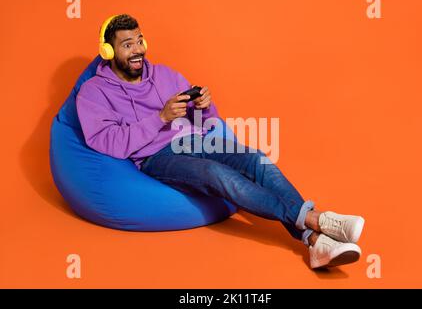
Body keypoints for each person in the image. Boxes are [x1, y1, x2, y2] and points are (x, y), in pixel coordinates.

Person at [76, 14, 365, 269]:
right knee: (218, 176)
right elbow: (107, 142)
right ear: (108, 51)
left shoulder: (164, 75)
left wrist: (203, 107)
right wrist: (160, 118)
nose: (138, 50)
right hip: (156, 157)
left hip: (194, 141)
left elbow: (204, 125)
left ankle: (314, 242)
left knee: (255, 159)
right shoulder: (94, 92)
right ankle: (317, 221)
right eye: (127, 45)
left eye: (140, 41)